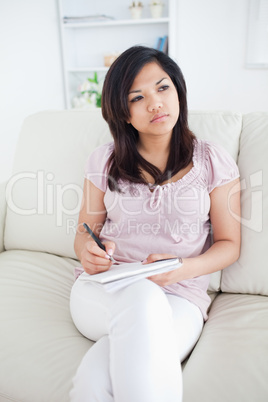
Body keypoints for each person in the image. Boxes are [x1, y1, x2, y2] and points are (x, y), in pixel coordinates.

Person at [69, 46, 241, 402]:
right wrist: (89, 251)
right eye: (137, 97)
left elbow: (230, 244)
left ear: (178, 91)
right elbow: (85, 232)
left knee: (93, 379)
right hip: (103, 290)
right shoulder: (104, 160)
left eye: (163, 88)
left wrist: (181, 269)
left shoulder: (212, 161)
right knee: (141, 294)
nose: (155, 103)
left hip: (180, 297)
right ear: (122, 113)